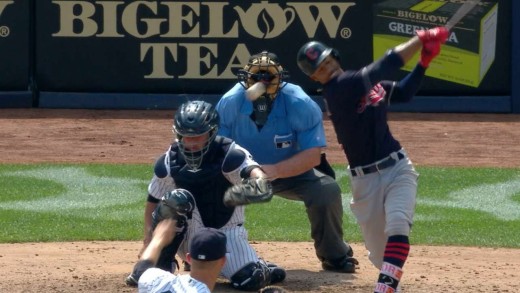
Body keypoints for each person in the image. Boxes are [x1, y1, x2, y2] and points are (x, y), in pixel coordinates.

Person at [295, 27, 448, 293]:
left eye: (329, 60)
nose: (328, 68)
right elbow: (387, 64)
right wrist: (420, 40)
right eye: (320, 68)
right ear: (315, 77)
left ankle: (384, 289)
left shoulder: (357, 83)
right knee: (380, 254)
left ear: (336, 58)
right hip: (365, 182)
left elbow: (403, 92)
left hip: (398, 166)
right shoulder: (339, 90)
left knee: (399, 223)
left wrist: (424, 62)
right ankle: (389, 283)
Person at [215, 51, 358, 273]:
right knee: (205, 188)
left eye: (268, 77)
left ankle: (334, 255)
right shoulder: (230, 102)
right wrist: (248, 172)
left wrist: (274, 171)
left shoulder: (299, 102)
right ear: (246, 78)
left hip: (289, 172)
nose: (262, 83)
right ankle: (203, 251)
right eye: (256, 77)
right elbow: (218, 150)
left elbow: (312, 155)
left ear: (280, 78)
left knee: (326, 190)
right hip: (240, 173)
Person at [126, 100, 286, 291]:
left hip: (226, 234)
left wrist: (258, 180)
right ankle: (162, 263)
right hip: (188, 235)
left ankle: (261, 268)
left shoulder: (230, 155)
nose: (191, 143)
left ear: (211, 133)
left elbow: (253, 171)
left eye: (197, 137)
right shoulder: (169, 161)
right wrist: (148, 242)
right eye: (186, 137)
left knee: (247, 280)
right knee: (177, 199)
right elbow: (153, 201)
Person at [137, 219, 227, 293]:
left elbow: (142, 270)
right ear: (223, 261)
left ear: (188, 258)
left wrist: (158, 239)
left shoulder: (160, 281)